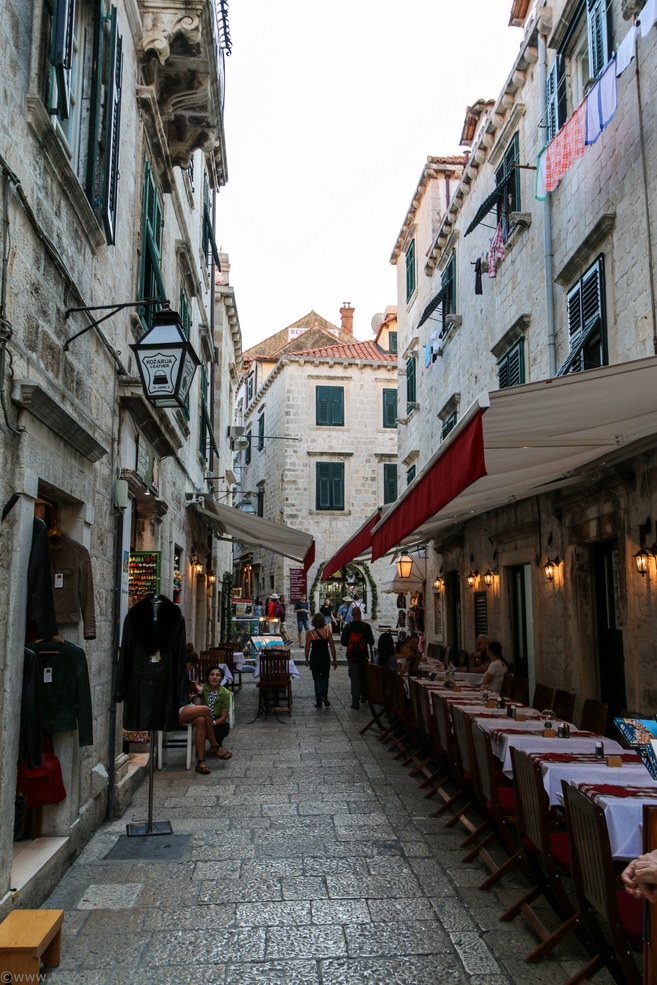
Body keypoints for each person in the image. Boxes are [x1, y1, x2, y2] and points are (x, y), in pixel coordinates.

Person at [179, 680, 220, 775]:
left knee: (201, 720)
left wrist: (199, 692)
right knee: (205, 709)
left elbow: (195, 706)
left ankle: (201, 761)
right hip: (170, 713)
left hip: (183, 709)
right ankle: (214, 745)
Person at [341, 606, 374, 710]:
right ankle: (364, 697)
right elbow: (371, 641)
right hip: (363, 654)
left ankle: (355, 702)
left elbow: (343, 642)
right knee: (363, 675)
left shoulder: (348, 626)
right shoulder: (366, 627)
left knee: (354, 677)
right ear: (360, 614)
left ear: (352, 615)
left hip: (351, 655)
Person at [305, 612, 337, 708]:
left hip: (315, 657)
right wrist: (334, 659)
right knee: (325, 678)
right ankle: (325, 696)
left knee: (317, 680)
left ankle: (319, 700)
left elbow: (307, 647)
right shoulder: (327, 633)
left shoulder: (311, 633)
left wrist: (306, 658)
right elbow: (332, 647)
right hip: (325, 657)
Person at [200, 665, 232, 760]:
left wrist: (211, 723)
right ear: (208, 677)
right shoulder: (202, 688)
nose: (214, 677)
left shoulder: (225, 693)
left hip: (217, 722)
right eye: (212, 675)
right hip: (202, 721)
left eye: (218, 675)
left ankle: (216, 746)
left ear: (221, 678)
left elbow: (223, 718)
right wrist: (199, 693)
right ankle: (215, 748)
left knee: (220, 729)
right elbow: (196, 706)